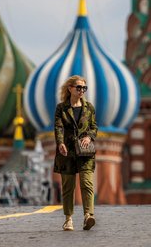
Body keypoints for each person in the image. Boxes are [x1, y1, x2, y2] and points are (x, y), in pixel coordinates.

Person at [54, 75, 97, 231]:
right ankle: (68, 219)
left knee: (87, 183)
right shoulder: (61, 108)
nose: (81, 91)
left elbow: (94, 127)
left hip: (85, 153)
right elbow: (58, 127)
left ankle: (88, 216)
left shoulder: (89, 107)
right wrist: (60, 143)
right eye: (78, 87)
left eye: (84, 88)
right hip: (67, 152)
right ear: (70, 88)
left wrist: (89, 136)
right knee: (68, 187)